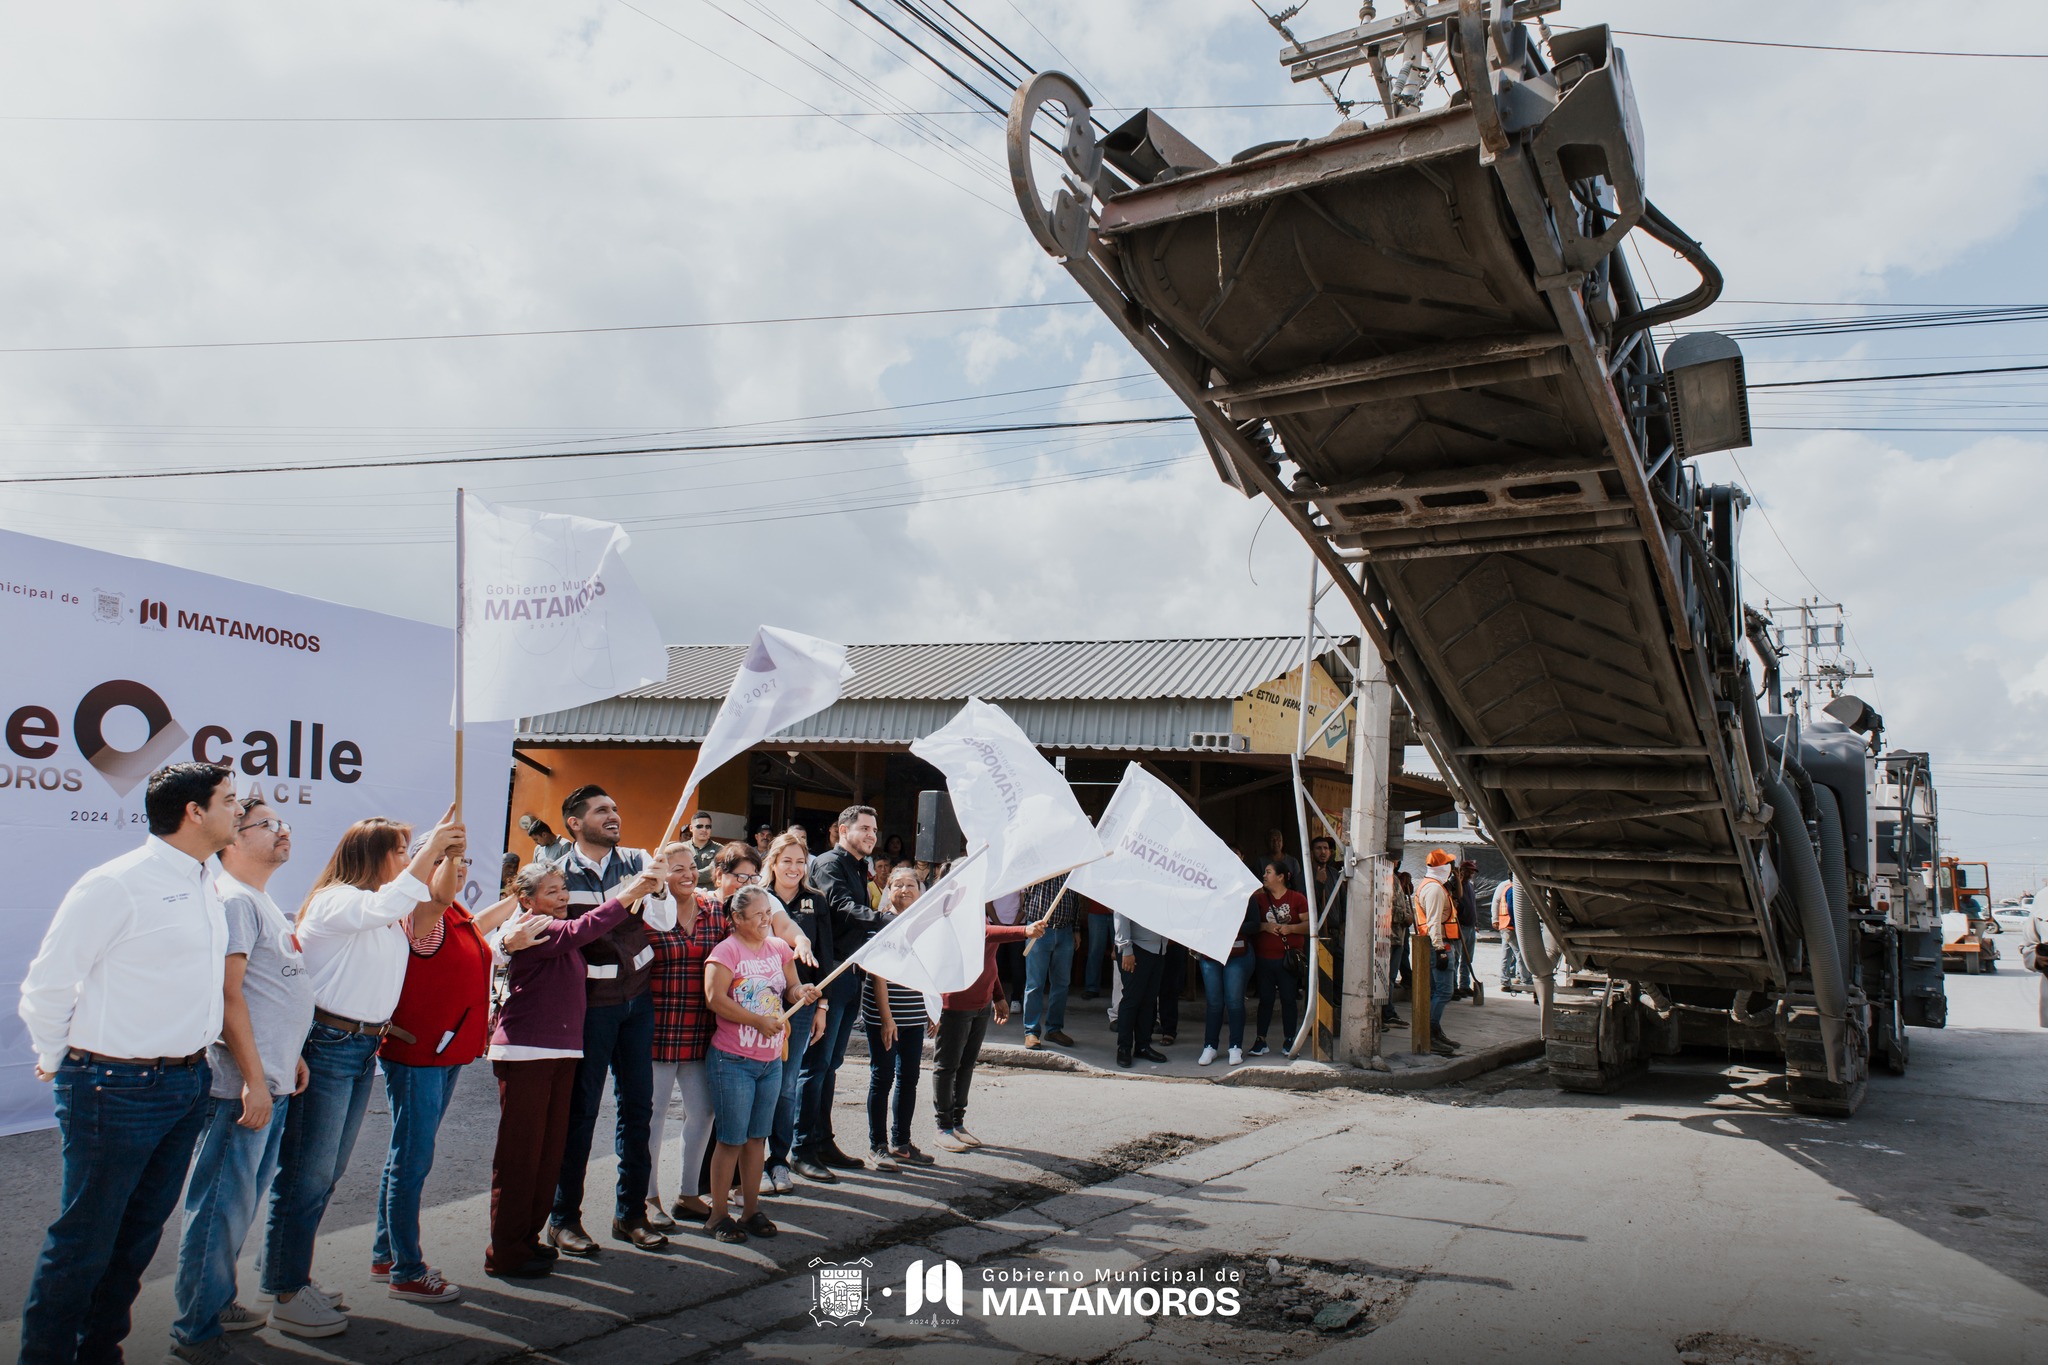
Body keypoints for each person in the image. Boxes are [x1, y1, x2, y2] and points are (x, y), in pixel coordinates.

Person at [19, 763, 238, 1365]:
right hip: (115, 1086)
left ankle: (100, 1353)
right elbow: (47, 985)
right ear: (194, 812)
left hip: (187, 1083)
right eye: (229, 801)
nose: (238, 811)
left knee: (137, 1239)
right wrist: (55, 1057)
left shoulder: (205, 882)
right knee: (85, 1242)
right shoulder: (115, 883)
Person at [261, 804, 464, 1337]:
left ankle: (290, 1278)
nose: (407, 859)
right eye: (399, 850)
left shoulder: (380, 905)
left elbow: (426, 900)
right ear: (372, 855)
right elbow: (398, 901)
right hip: (329, 1045)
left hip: (359, 1047)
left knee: (323, 1175)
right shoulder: (338, 901)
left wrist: (439, 850)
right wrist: (432, 850)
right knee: (307, 1174)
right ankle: (285, 1289)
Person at [171, 797, 313, 1357]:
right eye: (267, 825)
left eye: (283, 824)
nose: (283, 832)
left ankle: (217, 1300)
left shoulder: (260, 901)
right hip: (241, 1088)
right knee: (219, 1210)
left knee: (239, 1205)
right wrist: (255, 1079)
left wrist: (289, 1055)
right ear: (233, 840)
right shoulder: (233, 901)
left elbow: (273, 991)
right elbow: (228, 999)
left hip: (270, 1078)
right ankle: (195, 1329)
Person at [484, 856, 665, 1278]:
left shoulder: (548, 926)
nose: (563, 898)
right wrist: (629, 894)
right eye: (552, 892)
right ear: (526, 899)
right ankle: (506, 1252)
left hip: (563, 1051)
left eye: (563, 890)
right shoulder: (532, 927)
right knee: (520, 1158)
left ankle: (528, 1240)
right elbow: (582, 930)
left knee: (547, 1153)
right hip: (526, 1052)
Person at [371, 830, 522, 1303]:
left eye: (466, 860)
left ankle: (385, 1252)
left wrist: (521, 898)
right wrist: (442, 852)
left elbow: (477, 925)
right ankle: (406, 1269)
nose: (461, 868)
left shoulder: (451, 913)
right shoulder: (423, 911)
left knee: (407, 1157)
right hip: (420, 1054)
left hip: (445, 1051)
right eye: (449, 860)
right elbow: (438, 897)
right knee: (411, 1161)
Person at [545, 785, 677, 1255]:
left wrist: (656, 886)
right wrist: (630, 894)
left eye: (616, 808)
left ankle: (631, 1214)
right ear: (575, 823)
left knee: (637, 1109)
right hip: (588, 1007)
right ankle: (563, 1219)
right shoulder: (555, 872)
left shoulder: (641, 859)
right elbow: (561, 934)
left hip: (637, 1002)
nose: (614, 815)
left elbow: (661, 923)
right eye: (602, 811)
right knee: (580, 1113)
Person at [701, 887, 820, 1243]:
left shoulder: (779, 948)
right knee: (731, 1140)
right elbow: (714, 999)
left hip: (770, 1059)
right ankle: (718, 1216)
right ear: (736, 919)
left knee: (757, 1140)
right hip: (732, 1059)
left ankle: (751, 1210)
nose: (767, 920)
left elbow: (791, 988)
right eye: (758, 915)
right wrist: (756, 1021)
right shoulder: (725, 952)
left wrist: (803, 994)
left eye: (769, 913)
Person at [791, 805, 890, 1183]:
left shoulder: (858, 866)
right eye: (864, 828)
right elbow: (842, 908)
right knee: (814, 1067)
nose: (871, 834)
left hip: (850, 974)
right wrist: (886, 920)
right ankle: (801, 1150)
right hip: (828, 976)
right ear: (842, 830)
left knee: (830, 1065)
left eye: (874, 829)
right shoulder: (831, 863)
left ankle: (822, 1140)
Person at [647, 844, 744, 1223]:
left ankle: (688, 1193)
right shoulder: (648, 914)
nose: (688, 874)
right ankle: (648, 1198)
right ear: (660, 875)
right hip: (656, 1028)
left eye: (691, 867)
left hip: (701, 1031)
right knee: (651, 1118)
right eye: (676, 869)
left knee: (702, 1113)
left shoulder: (713, 910)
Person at [754, 833, 830, 1193]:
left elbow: (823, 956)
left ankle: (778, 1161)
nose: (795, 868)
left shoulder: (815, 900)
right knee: (757, 1082)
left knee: (786, 1085)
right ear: (772, 862)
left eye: (801, 862)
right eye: (787, 861)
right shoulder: (755, 896)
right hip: (759, 1003)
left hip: (801, 1002)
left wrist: (822, 1005)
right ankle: (750, 1163)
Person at [933, 907, 1043, 1151]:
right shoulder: (952, 914)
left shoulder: (981, 912)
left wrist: (998, 996)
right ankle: (943, 1127)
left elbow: (988, 959)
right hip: (956, 1003)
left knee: (967, 1064)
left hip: (981, 1003)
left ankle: (958, 1123)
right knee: (947, 1066)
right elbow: (984, 934)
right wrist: (1024, 930)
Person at [863, 868, 935, 1168]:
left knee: (910, 1078)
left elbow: (934, 966)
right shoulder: (881, 924)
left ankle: (901, 1142)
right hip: (886, 1015)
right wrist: (887, 1018)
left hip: (915, 1014)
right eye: (898, 884)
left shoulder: (925, 924)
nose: (905, 889)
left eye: (911, 884)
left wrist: (934, 1008)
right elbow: (878, 976)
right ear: (887, 889)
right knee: (883, 1076)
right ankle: (877, 1145)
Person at [1248, 860, 1308, 1057]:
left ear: (1281, 877)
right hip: (1264, 958)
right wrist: (1265, 927)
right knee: (1265, 999)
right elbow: (1249, 924)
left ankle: (1290, 1039)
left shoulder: (1297, 898)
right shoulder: (1258, 899)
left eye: (1268, 872)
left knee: (1288, 999)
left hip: (1288, 960)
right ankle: (1260, 1040)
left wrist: (1290, 928)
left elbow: (1310, 925)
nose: (1264, 876)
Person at [1197, 894, 1260, 1067]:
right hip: (1211, 952)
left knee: (1234, 1001)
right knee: (1214, 1002)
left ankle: (1235, 1046)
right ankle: (1210, 1046)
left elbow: (1255, 924)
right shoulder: (1206, 894)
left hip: (1237, 952)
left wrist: (1229, 927)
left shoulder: (1246, 896)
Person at [1019, 873, 1078, 1049]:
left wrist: (1076, 930)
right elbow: (1024, 896)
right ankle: (1031, 1032)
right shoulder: (1043, 867)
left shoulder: (1072, 871)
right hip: (1040, 931)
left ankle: (1054, 1029)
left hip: (1065, 931)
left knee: (1061, 984)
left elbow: (1075, 902)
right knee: (1035, 983)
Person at [1416, 849, 1460, 1055]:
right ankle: (1430, 1034)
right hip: (1439, 944)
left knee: (1436, 992)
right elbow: (1433, 922)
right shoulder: (1434, 889)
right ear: (1442, 867)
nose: (1451, 868)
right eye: (1449, 864)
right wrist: (1440, 949)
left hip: (1438, 944)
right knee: (1444, 991)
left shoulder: (1436, 887)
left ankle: (1434, 1032)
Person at [1114, 912, 1169, 1067]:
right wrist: (1125, 948)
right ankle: (1124, 1047)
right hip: (1136, 949)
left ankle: (1143, 1046)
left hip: (1158, 950)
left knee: (1148, 1001)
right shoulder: (1132, 886)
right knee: (1132, 999)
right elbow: (1121, 914)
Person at [1494, 877, 1527, 993]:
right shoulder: (1513, 889)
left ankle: (1505, 981)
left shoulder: (1505, 888)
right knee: (1521, 954)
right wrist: (1517, 923)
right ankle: (1525, 981)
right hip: (1511, 926)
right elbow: (1512, 907)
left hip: (1505, 925)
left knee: (1506, 954)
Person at [1454, 858, 1481, 998]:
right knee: (1456, 957)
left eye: (1472, 871)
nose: (1471, 874)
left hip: (1470, 926)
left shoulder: (1470, 886)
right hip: (1461, 926)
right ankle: (1453, 986)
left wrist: (1475, 923)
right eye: (1469, 871)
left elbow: (1472, 906)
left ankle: (1464, 985)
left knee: (1468, 959)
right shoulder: (1456, 885)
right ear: (1462, 871)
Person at [1081, 891, 1113, 1000]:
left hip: (1119, 912)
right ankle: (1091, 987)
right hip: (1096, 911)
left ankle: (1121, 988)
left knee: (1121, 951)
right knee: (1095, 951)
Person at [686, 812, 720, 889]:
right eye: (699, 826)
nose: (704, 830)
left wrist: (686, 876)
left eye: (708, 827)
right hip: (686, 896)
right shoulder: (682, 848)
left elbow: (712, 871)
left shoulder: (720, 849)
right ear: (691, 828)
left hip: (709, 897)